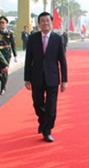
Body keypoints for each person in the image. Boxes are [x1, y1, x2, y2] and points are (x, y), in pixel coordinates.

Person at [24, 12, 68, 143]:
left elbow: (62, 61)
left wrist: (64, 80)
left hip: (52, 78)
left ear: (51, 22)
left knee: (51, 108)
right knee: (37, 104)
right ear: (39, 23)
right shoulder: (32, 38)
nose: (45, 23)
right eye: (42, 21)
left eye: (47, 21)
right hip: (36, 77)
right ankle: (42, 121)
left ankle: (47, 131)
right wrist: (27, 79)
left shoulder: (57, 39)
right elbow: (28, 60)